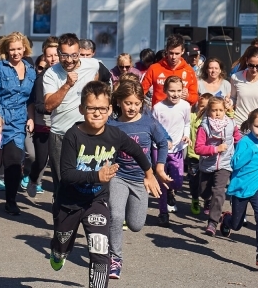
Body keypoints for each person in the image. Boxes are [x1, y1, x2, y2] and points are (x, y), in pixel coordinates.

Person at [49, 81, 161, 288]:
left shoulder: (114, 135)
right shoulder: (73, 136)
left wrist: (149, 173)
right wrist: (96, 176)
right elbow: (66, 174)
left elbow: (136, 150)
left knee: (100, 250)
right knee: (61, 243)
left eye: (102, 109)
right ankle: (59, 251)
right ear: (81, 109)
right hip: (69, 203)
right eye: (91, 108)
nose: (97, 113)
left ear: (109, 109)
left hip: (96, 201)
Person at [106, 81, 170, 279]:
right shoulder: (112, 124)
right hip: (118, 177)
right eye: (128, 103)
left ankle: (124, 209)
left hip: (141, 179)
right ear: (119, 102)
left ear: (142, 102)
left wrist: (159, 167)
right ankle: (115, 258)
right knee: (116, 216)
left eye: (136, 103)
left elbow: (163, 143)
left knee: (136, 225)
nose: (132, 107)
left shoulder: (149, 123)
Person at [43, 33, 101, 205]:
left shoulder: (93, 64)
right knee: (63, 184)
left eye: (74, 55)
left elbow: (101, 79)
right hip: (60, 135)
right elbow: (48, 106)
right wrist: (67, 85)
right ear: (59, 53)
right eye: (65, 55)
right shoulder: (51, 74)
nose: (69, 60)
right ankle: (61, 218)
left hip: (85, 135)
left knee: (86, 181)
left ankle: (83, 214)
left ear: (80, 52)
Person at [0, 32, 36, 215]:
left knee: (14, 161)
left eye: (19, 49)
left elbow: (30, 99)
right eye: (12, 49)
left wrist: (31, 117)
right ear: (6, 50)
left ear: (25, 49)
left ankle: (11, 201)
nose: (16, 53)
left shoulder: (31, 71)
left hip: (19, 121)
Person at [219, 108, 258, 267]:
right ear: (250, 125)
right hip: (241, 187)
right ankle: (227, 220)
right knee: (236, 225)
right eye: (257, 126)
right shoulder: (244, 142)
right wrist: (251, 151)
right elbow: (235, 164)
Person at [195, 96, 242, 236]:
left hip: (225, 163)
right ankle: (208, 201)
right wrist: (215, 149)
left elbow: (238, 140)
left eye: (220, 110)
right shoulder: (204, 127)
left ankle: (213, 223)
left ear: (225, 110)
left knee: (218, 191)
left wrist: (241, 153)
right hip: (207, 164)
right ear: (208, 111)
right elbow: (198, 148)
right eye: (214, 110)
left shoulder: (231, 124)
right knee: (204, 192)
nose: (217, 113)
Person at [151, 75, 191, 226]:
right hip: (159, 149)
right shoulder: (158, 108)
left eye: (179, 91)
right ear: (165, 90)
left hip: (177, 149)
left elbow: (187, 123)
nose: (175, 94)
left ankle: (170, 192)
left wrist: (186, 135)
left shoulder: (185, 106)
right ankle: (163, 213)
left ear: (183, 90)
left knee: (177, 182)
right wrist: (160, 141)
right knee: (162, 181)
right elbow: (153, 128)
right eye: (172, 91)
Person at [27, 37, 59, 197]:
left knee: (59, 164)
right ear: (44, 57)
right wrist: (54, 107)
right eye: (49, 55)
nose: (53, 59)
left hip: (62, 126)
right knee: (41, 161)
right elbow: (38, 105)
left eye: (56, 55)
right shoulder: (42, 79)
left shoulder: (67, 75)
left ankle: (59, 196)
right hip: (44, 124)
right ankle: (33, 179)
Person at [141, 34, 199, 107]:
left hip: (179, 113)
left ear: (183, 51)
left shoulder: (189, 71)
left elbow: (195, 98)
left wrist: (187, 96)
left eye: (177, 53)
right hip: (159, 112)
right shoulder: (154, 68)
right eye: (171, 53)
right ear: (166, 50)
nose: (173, 57)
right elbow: (141, 91)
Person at [188, 93, 212, 215]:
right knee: (194, 181)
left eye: (208, 107)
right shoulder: (193, 117)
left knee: (207, 182)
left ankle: (208, 200)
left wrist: (229, 110)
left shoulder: (214, 121)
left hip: (208, 157)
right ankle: (195, 199)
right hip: (194, 156)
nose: (204, 110)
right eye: (202, 106)